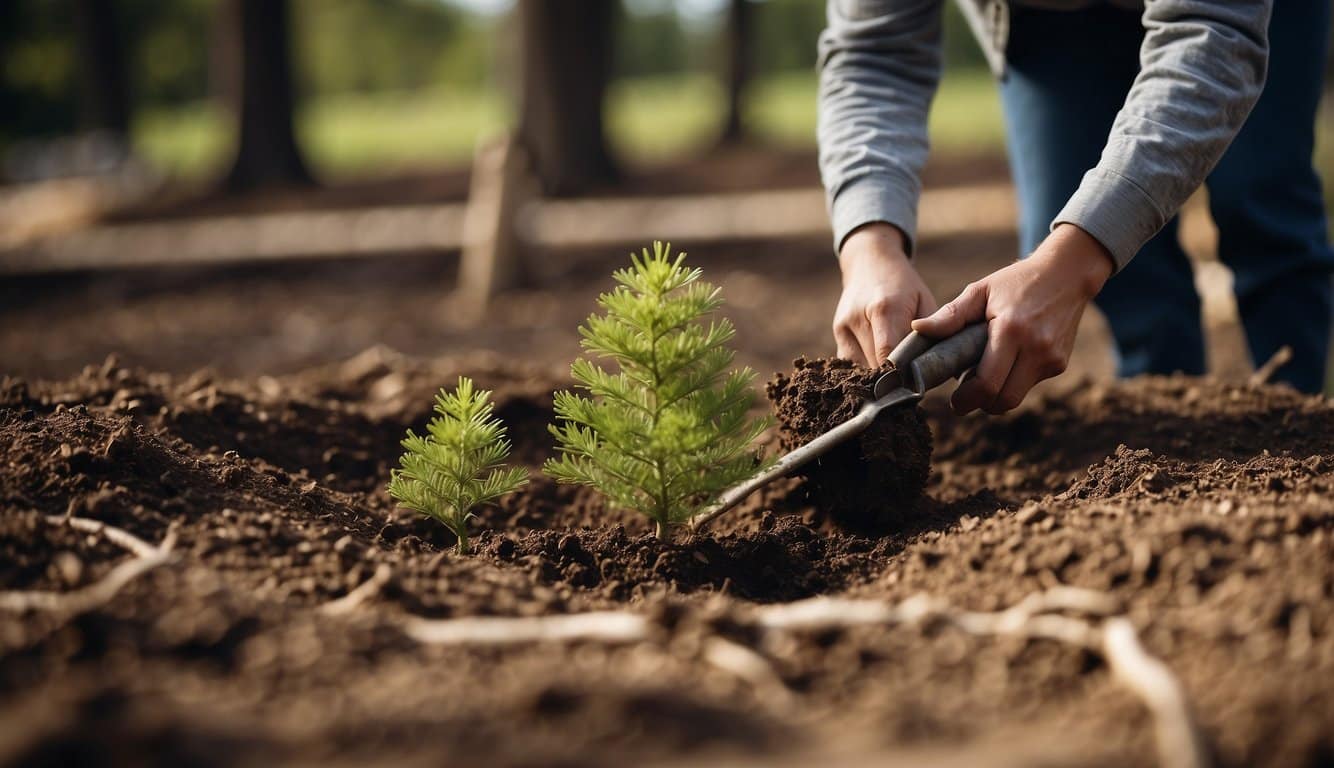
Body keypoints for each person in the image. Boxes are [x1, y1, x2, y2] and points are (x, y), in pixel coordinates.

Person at [819, 0, 1333, 414]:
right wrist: (870, 246)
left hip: (1235, 12)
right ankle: (1165, 458)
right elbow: (871, 55)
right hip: (1047, 21)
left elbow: (1212, 29)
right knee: (1108, 263)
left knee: (1262, 203)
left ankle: (1309, 427)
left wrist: (1074, 264)